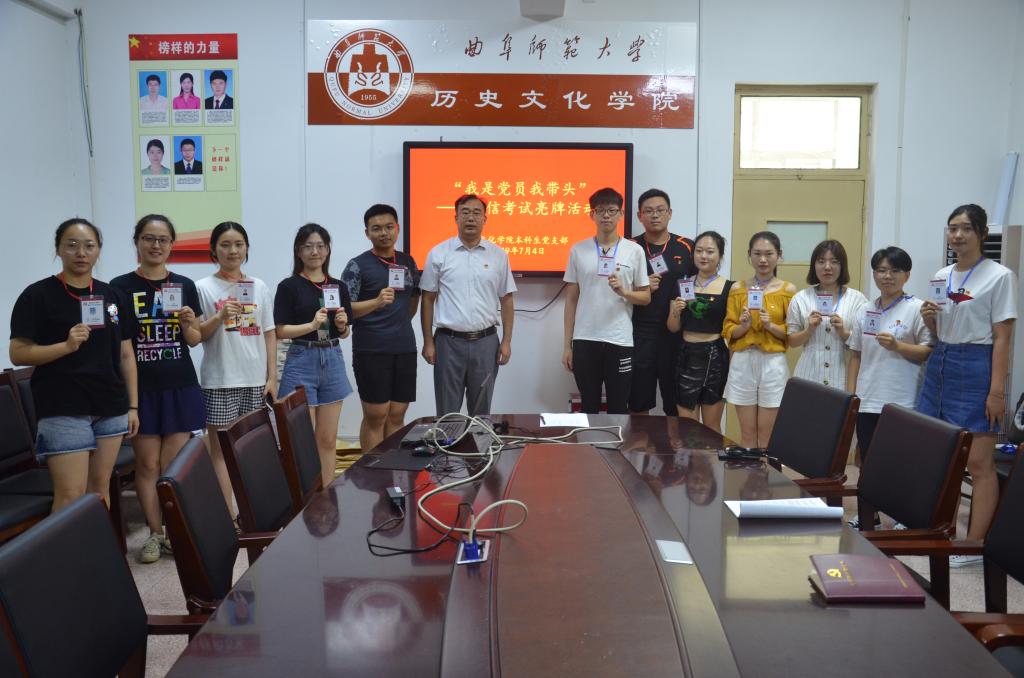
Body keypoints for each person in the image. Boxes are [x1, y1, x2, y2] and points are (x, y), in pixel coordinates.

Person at [9, 218, 139, 514]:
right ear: (58, 249)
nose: (81, 252)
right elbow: (18, 353)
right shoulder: (37, 295)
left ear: (98, 251)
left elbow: (126, 355)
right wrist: (65, 346)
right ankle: (63, 549)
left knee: (99, 491)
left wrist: (132, 406)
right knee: (70, 496)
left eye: (89, 246)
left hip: (110, 406)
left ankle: (96, 546)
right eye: (72, 245)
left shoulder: (113, 297)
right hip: (63, 407)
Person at [918, 204, 1017, 566]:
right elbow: (941, 328)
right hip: (941, 361)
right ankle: (941, 530)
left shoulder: (999, 276)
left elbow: (1003, 338)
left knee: (978, 462)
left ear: (982, 233)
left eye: (966, 228)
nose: (957, 235)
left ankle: (974, 544)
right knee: (940, 454)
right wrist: (929, 320)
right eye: (952, 228)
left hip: (976, 365)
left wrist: (997, 391)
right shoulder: (942, 274)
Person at [110, 214, 205, 563]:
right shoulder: (119, 287)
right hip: (142, 390)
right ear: (137, 242)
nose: (156, 245)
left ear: (171, 244)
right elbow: (118, 345)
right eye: (149, 238)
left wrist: (190, 323)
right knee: (147, 466)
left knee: (171, 466)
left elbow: (193, 340)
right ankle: (155, 534)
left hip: (179, 385)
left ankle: (175, 532)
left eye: (163, 239)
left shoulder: (184, 284)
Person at [846, 246, 933, 529]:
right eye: (881, 270)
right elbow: (855, 354)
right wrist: (852, 396)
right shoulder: (865, 309)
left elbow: (927, 351)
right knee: (868, 461)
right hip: (868, 398)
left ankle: (905, 515)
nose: (887, 276)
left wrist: (898, 346)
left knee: (903, 461)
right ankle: (868, 514)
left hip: (903, 400)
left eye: (895, 270)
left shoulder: (916, 308)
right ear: (874, 274)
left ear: (906, 275)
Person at [196, 222, 276, 515]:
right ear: (214, 250)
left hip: (254, 380)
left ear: (247, 248)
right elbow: (197, 335)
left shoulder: (259, 286)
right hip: (220, 380)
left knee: (250, 449)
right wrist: (219, 316)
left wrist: (271, 377)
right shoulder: (202, 287)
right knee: (220, 451)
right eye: (225, 245)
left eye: (239, 244)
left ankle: (250, 514)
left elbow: (269, 332)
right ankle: (227, 516)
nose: (233, 251)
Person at [420, 194, 516, 417]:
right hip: (448, 343)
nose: (470, 218)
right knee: (447, 412)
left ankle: (479, 442)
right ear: (456, 218)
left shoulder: (498, 255)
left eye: (476, 213)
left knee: (481, 412)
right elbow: (427, 298)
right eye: (465, 212)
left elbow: (507, 300)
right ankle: (449, 442)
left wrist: (506, 341)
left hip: (486, 343)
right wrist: (428, 341)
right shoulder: (439, 253)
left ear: (485, 219)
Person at [275, 224, 353, 488]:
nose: (314, 251)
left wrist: (341, 325)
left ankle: (326, 495)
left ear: (328, 250)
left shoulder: (338, 286)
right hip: (301, 358)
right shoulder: (289, 286)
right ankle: (304, 498)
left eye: (320, 246)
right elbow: (280, 330)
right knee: (302, 442)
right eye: (308, 246)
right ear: (298, 251)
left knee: (328, 439)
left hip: (332, 358)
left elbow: (345, 333)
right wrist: (310, 325)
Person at [562, 187, 651, 414]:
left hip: (619, 339)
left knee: (619, 408)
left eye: (612, 210)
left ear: (621, 214)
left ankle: (616, 440)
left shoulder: (634, 251)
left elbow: (645, 297)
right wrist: (567, 345)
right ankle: (589, 441)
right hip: (585, 339)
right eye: (600, 210)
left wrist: (624, 292)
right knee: (588, 406)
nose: (606, 215)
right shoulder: (578, 250)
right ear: (591, 214)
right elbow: (571, 300)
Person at [341, 204, 420, 452]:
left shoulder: (407, 261)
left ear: (397, 228)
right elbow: (344, 310)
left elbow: (413, 300)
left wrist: (397, 323)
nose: (384, 233)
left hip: (404, 348)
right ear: (367, 233)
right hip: (371, 350)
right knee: (376, 415)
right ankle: (372, 469)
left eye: (388, 227)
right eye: (376, 229)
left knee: (397, 414)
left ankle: (393, 468)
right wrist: (376, 303)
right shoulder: (357, 265)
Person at [722, 231, 796, 448]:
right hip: (743, 360)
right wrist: (743, 326)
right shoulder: (737, 289)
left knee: (767, 436)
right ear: (749, 255)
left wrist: (770, 325)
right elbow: (728, 329)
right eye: (757, 254)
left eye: (769, 254)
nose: (763, 260)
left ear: (779, 255)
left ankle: (765, 471)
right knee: (747, 435)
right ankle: (749, 471)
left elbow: (792, 332)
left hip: (772, 362)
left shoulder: (788, 290)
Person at [628, 189, 696, 415]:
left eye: (660, 210)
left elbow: (697, 285)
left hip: (675, 333)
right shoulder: (629, 247)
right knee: (638, 402)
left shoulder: (687, 246)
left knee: (676, 404)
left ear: (670, 213)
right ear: (639, 216)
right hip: (639, 332)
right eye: (648, 211)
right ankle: (639, 440)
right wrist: (641, 286)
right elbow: (616, 289)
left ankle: (674, 440)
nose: (655, 215)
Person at [666, 231, 733, 432]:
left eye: (710, 251)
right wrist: (676, 312)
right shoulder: (682, 284)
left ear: (720, 255)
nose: (704, 256)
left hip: (715, 357)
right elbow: (672, 327)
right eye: (699, 251)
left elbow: (732, 331)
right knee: (687, 428)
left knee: (711, 428)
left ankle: (713, 456)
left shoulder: (731, 287)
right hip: (686, 357)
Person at [786, 240, 868, 389]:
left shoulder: (858, 299)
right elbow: (792, 341)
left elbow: (865, 344)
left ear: (842, 266)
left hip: (842, 378)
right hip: (808, 376)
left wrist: (844, 333)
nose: (827, 267)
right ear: (814, 265)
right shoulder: (801, 298)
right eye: (821, 261)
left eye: (834, 262)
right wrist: (809, 330)